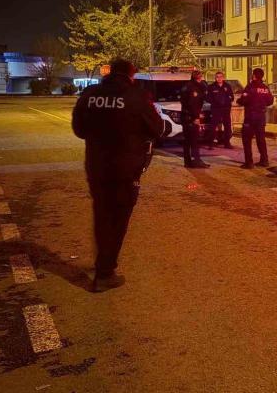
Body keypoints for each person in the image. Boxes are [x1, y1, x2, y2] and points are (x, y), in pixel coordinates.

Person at [72, 59, 164, 292]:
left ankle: (103, 263)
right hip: (126, 168)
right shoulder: (137, 96)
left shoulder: (90, 94)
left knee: (102, 214)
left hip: (97, 166)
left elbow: (79, 130)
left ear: (110, 72)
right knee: (119, 218)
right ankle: (105, 271)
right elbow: (157, 129)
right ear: (131, 75)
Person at [238, 67, 274, 169]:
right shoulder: (265, 88)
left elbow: (244, 100)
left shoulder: (250, 87)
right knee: (261, 139)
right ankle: (264, 160)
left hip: (250, 116)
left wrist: (239, 101)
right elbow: (270, 101)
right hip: (261, 117)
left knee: (247, 139)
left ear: (254, 76)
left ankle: (249, 162)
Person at [179, 70, 210, 169]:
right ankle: (196, 161)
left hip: (185, 116)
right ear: (199, 78)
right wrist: (196, 117)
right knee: (194, 140)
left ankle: (187, 162)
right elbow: (193, 104)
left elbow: (184, 101)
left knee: (187, 141)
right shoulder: (193, 88)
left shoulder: (186, 86)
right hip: (191, 118)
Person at [206, 71, 234, 149]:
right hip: (216, 109)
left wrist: (227, 102)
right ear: (215, 78)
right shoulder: (211, 87)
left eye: (220, 77)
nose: (219, 78)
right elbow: (208, 98)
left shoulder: (227, 86)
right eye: (217, 77)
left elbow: (231, 97)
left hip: (225, 109)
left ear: (223, 77)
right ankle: (210, 143)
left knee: (227, 126)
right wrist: (215, 102)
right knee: (213, 126)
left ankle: (227, 143)